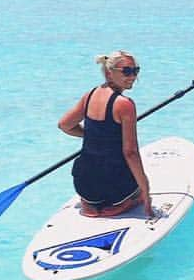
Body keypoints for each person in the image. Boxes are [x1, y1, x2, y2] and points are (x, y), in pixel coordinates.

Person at [58, 50, 154, 218]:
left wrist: (93, 137)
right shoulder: (125, 105)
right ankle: (123, 204)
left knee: (92, 173)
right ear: (110, 73)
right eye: (127, 71)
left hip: (85, 185)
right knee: (137, 190)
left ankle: (91, 206)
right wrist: (145, 189)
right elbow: (130, 153)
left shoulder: (90, 95)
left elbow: (64, 125)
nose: (133, 76)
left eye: (136, 70)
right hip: (115, 189)